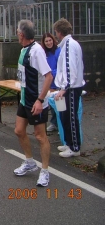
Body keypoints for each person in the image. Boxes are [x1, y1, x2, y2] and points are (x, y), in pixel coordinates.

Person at [12, 20, 53, 187]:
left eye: (17, 32)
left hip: (36, 102)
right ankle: (29, 162)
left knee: (40, 136)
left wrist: (40, 100)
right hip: (25, 99)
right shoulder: (24, 49)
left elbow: (49, 76)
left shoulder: (37, 51)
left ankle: (45, 171)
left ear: (21, 34)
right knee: (19, 130)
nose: (16, 34)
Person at [53, 18, 85, 158]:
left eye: (55, 32)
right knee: (64, 115)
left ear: (59, 32)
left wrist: (64, 88)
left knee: (71, 117)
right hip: (66, 87)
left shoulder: (69, 45)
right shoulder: (67, 44)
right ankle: (68, 143)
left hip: (70, 88)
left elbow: (69, 68)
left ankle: (75, 146)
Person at [40, 33, 61, 132]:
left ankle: (61, 125)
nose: (49, 43)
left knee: (60, 106)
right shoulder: (44, 53)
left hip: (58, 83)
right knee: (52, 106)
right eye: (46, 41)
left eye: (50, 40)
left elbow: (60, 68)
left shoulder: (58, 51)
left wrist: (50, 73)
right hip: (49, 83)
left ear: (53, 40)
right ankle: (54, 123)